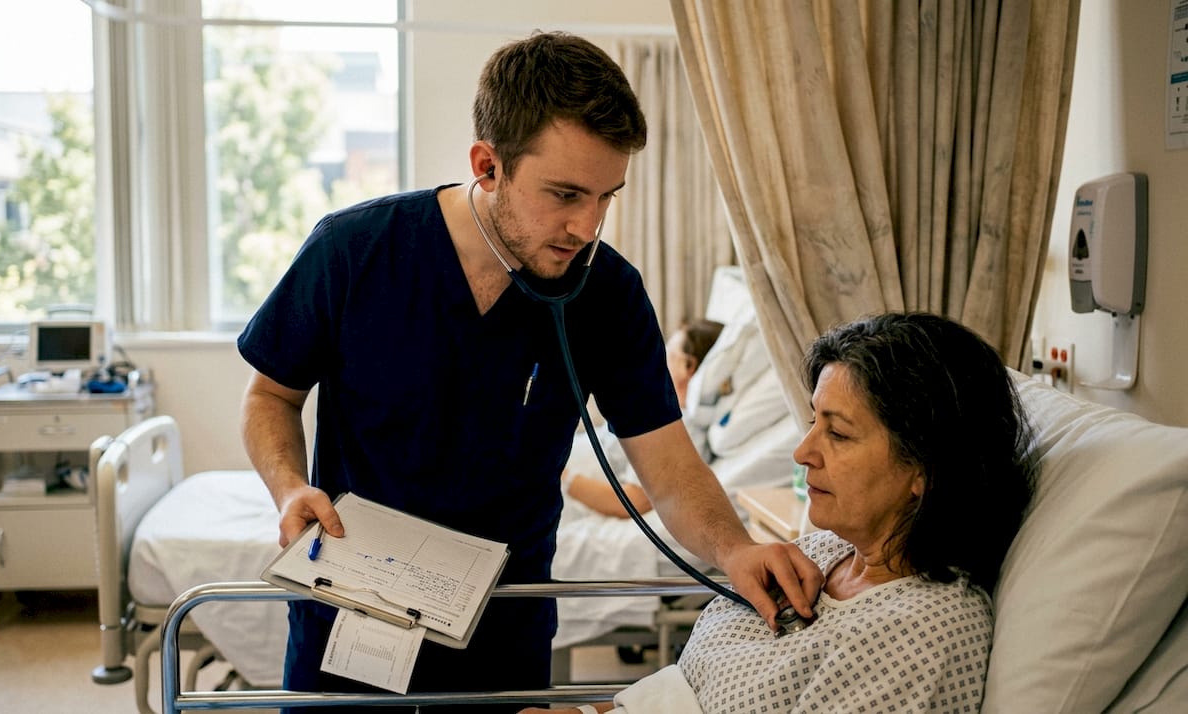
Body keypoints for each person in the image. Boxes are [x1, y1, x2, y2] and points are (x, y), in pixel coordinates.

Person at [238, 32, 820, 713]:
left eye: (607, 196)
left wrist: (736, 548)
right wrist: (287, 489)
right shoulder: (356, 250)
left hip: (503, 627)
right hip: (351, 609)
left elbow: (668, 467)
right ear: (488, 165)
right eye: (566, 194)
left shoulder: (608, 295)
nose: (588, 226)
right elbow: (270, 394)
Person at [521, 311, 1039, 714]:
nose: (802, 452)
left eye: (837, 433)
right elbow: (692, 683)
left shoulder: (925, 634)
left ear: (925, 467)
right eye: (814, 422)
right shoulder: (819, 552)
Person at [563, 319, 724, 518]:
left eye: (668, 354)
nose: (657, 361)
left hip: (563, 489)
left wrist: (562, 476)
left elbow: (633, 501)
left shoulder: (680, 430)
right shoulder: (660, 408)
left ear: (688, 366)